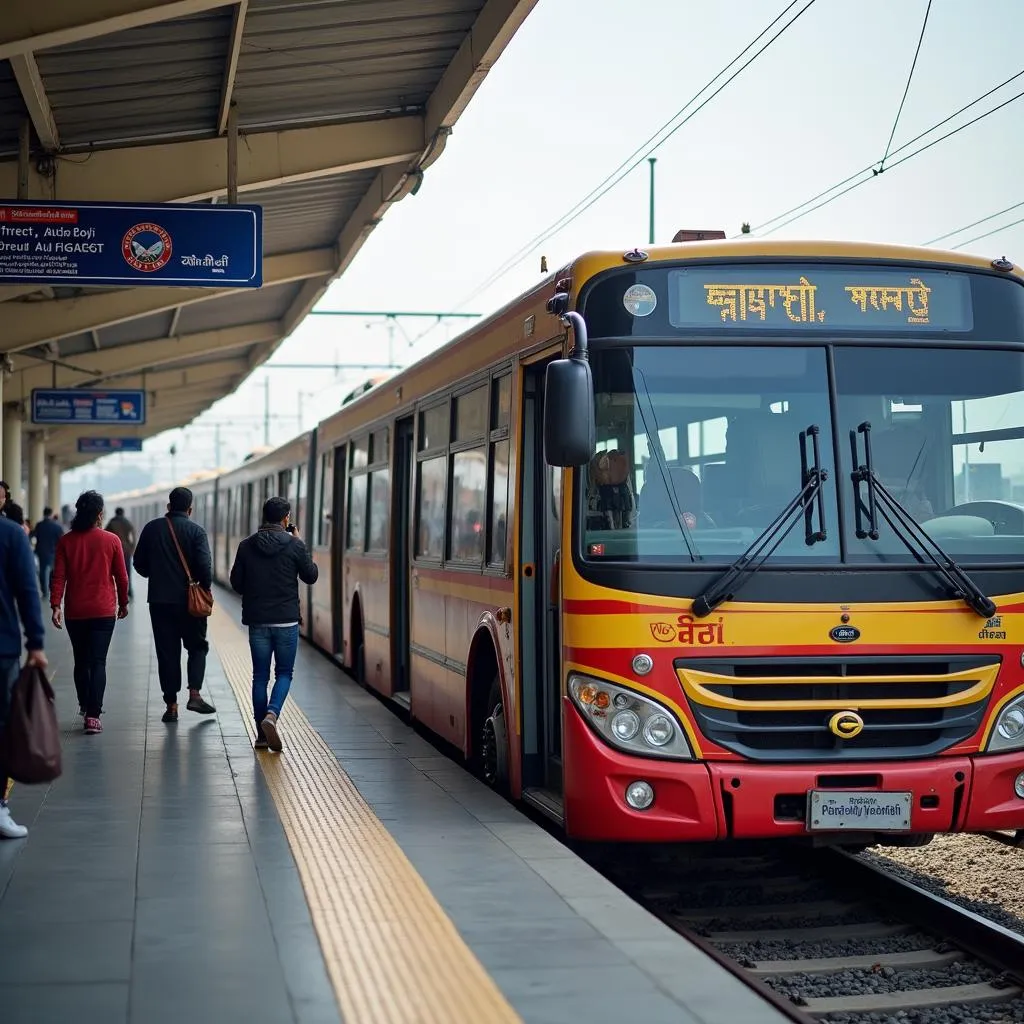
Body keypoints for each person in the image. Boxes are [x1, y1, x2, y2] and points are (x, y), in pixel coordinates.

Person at [230, 496, 318, 752]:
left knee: (259, 676)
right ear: (286, 518)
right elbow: (310, 576)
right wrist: (299, 543)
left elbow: (236, 583)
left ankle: (260, 735)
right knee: (284, 673)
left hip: (258, 621)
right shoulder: (294, 545)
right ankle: (272, 714)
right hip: (287, 621)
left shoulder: (246, 546)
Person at [132, 486, 216, 723]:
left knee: (167, 652)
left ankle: (171, 706)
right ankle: (195, 694)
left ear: (168, 507)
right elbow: (205, 568)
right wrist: (202, 587)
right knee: (197, 647)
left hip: (159, 601)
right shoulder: (196, 531)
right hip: (190, 603)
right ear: (190, 509)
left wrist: (156, 574)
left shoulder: (152, 528)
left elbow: (138, 563)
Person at [50, 491, 129, 735]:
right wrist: (123, 603)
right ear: (99, 514)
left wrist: (55, 605)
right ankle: (93, 716)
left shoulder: (66, 541)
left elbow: (59, 576)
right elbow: (121, 577)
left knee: (81, 661)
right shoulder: (112, 540)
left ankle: (85, 704)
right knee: (97, 662)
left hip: (76, 611)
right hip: (104, 611)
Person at [0, 515, 48, 839]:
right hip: (1, 649)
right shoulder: (10, 533)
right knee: (3, 727)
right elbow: (28, 591)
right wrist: (36, 643)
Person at [31, 507, 64, 596]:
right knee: (52, 572)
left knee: (42, 571)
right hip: (53, 552)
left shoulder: (39, 525)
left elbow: (33, 535)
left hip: (41, 551)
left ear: (43, 513)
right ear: (51, 514)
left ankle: (44, 590)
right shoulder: (57, 526)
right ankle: (51, 588)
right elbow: (61, 540)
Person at [105, 506, 137, 599]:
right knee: (127, 571)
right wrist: (132, 547)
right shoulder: (127, 522)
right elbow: (133, 535)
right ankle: (129, 591)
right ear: (122, 513)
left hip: (114, 550)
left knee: (112, 572)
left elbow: (106, 535)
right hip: (126, 550)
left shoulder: (112, 522)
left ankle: (117, 591)